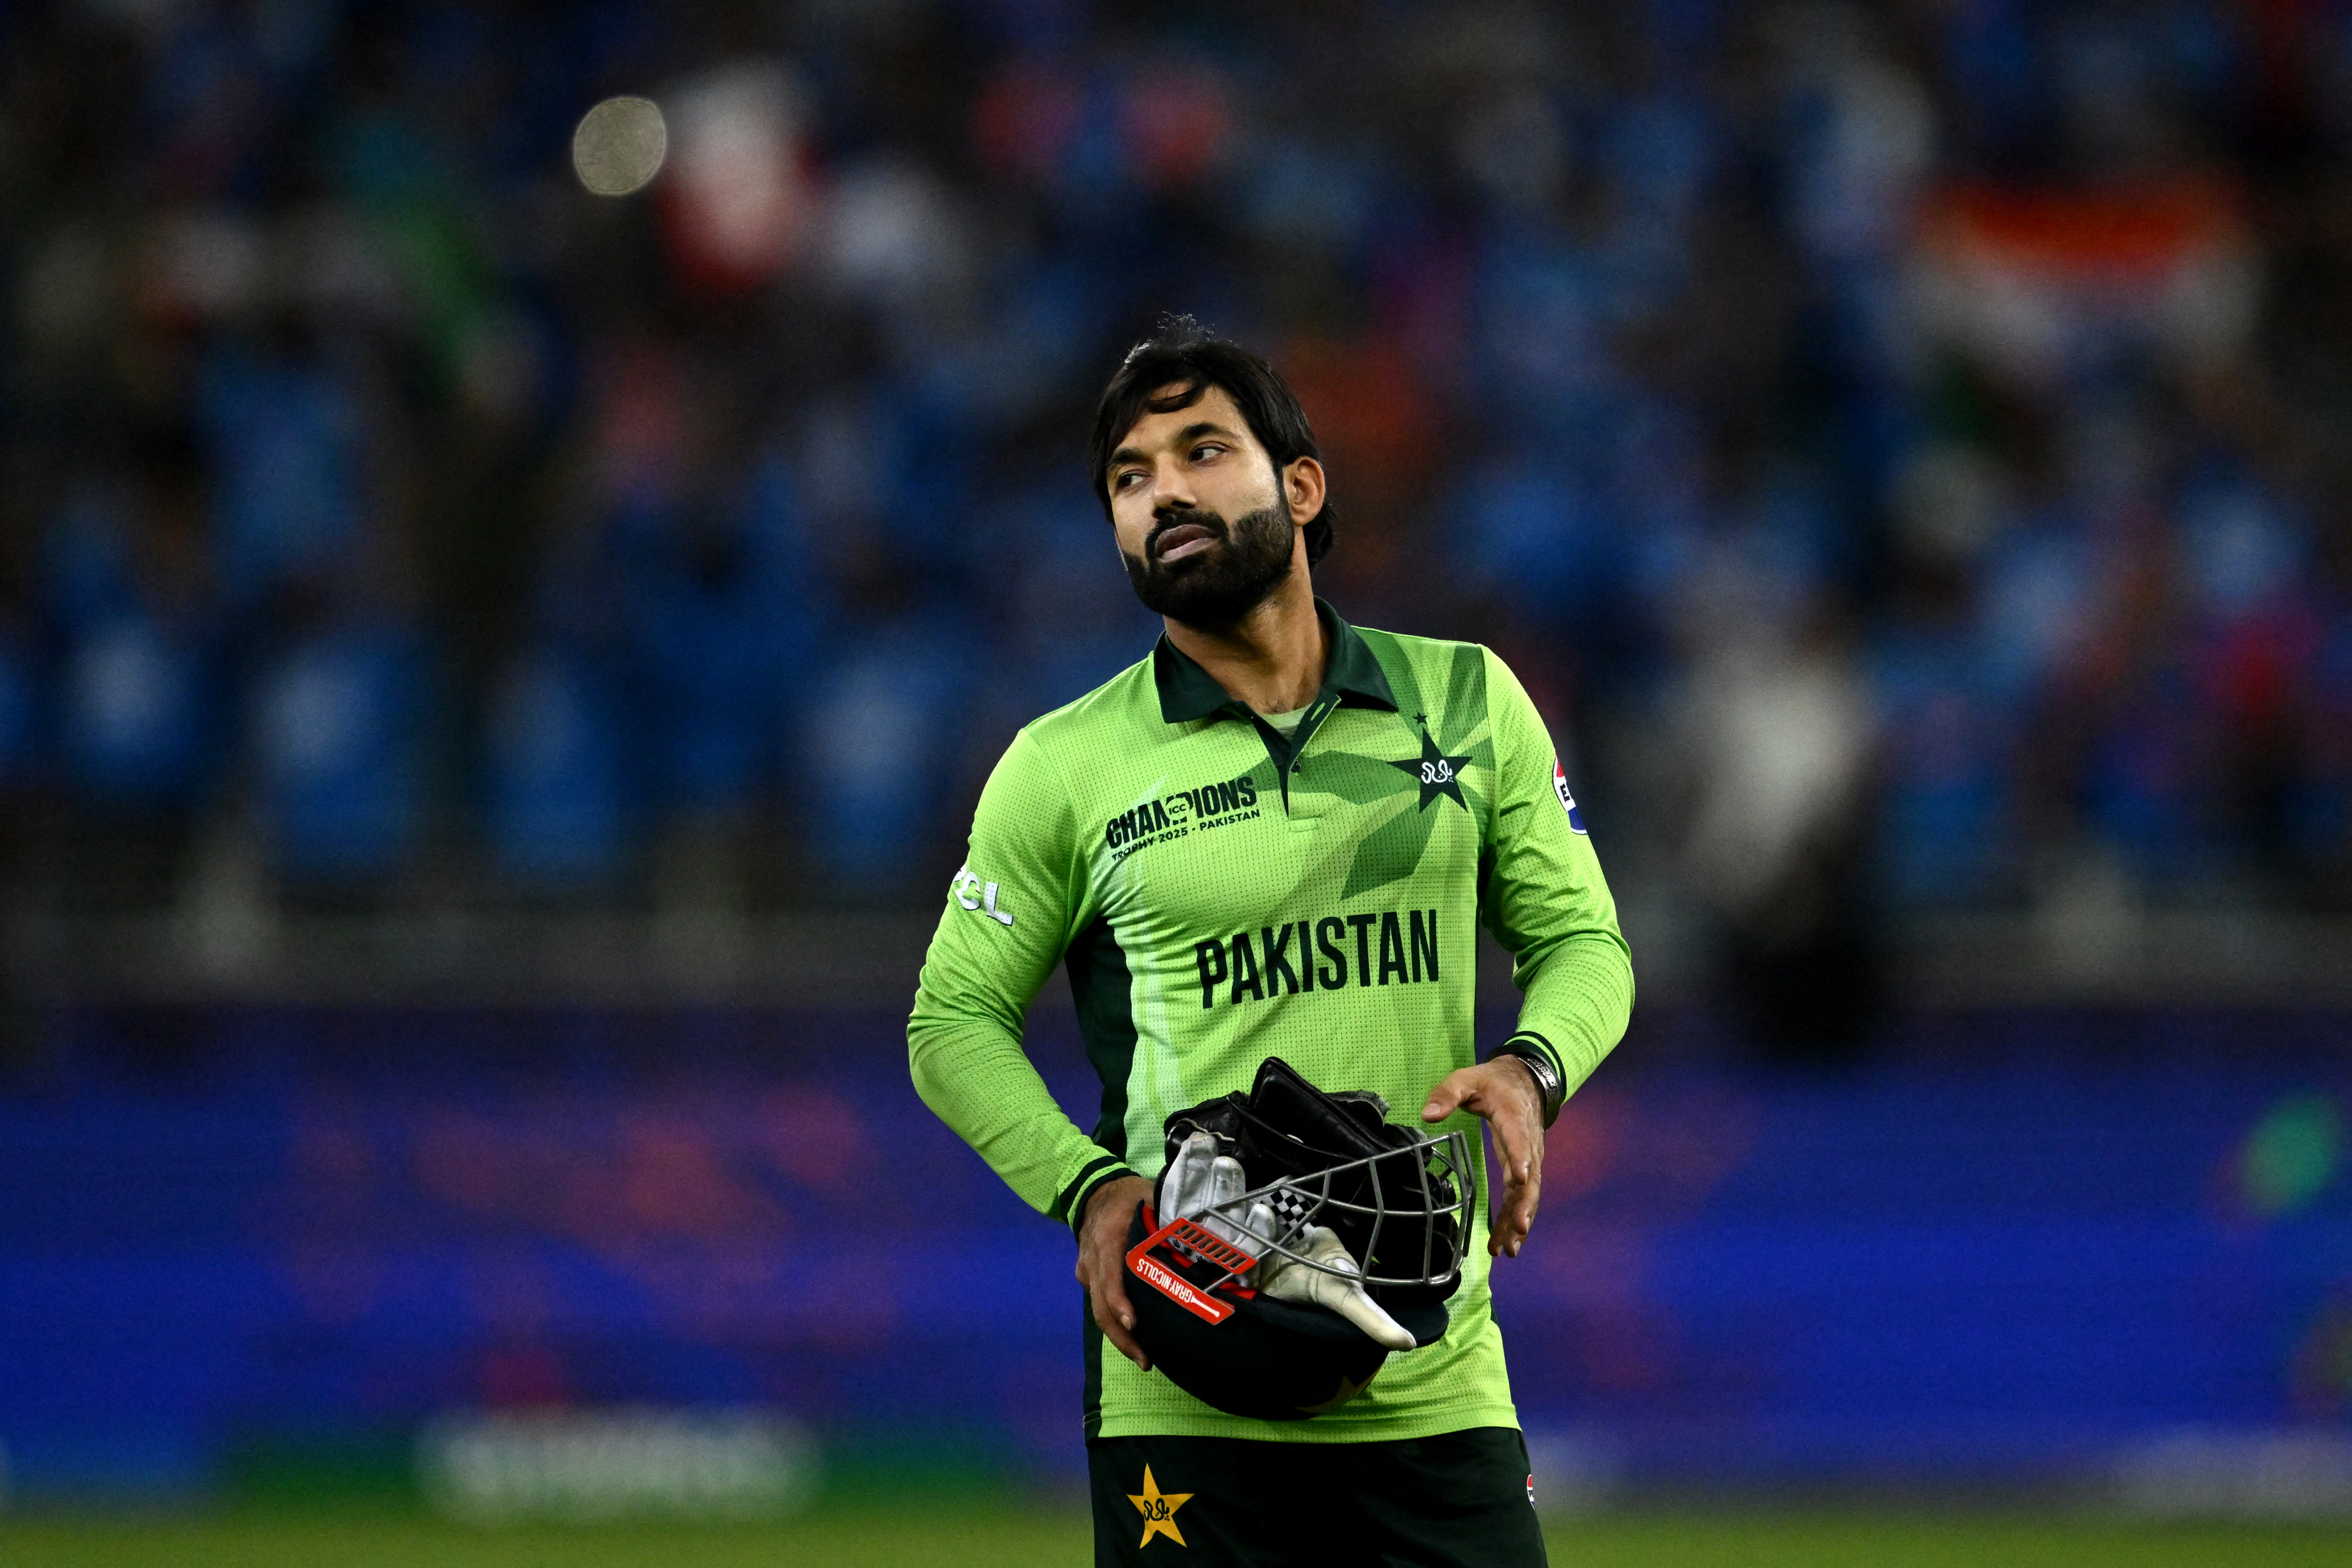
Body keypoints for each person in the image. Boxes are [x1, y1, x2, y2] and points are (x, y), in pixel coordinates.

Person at [907, 317, 1633, 1565]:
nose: (1162, 494)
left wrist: (1531, 1068)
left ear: (1301, 486)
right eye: (1129, 480)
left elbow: (1585, 943)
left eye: (1200, 451)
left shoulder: (1464, 698)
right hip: (1183, 1376)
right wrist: (1083, 1192)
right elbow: (948, 1024)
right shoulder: (1063, 765)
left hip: (1431, 1368)